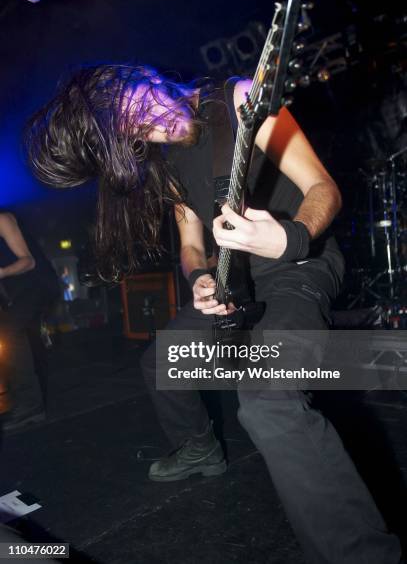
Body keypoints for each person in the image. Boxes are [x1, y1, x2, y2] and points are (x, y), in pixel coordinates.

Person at [25, 65, 403, 564]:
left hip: (298, 266)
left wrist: (288, 237)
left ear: (143, 76)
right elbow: (190, 245)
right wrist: (200, 280)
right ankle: (199, 447)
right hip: (236, 282)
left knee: (268, 400)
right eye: (134, 132)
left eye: (140, 109)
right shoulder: (166, 165)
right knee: (162, 361)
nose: (151, 126)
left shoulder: (242, 99)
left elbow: (324, 189)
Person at [0, 211, 60, 429]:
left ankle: (31, 407)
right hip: (18, 292)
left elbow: (28, 261)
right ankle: (25, 402)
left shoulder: (2, 220)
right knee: (11, 333)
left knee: (8, 331)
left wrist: (2, 272)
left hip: (39, 284)